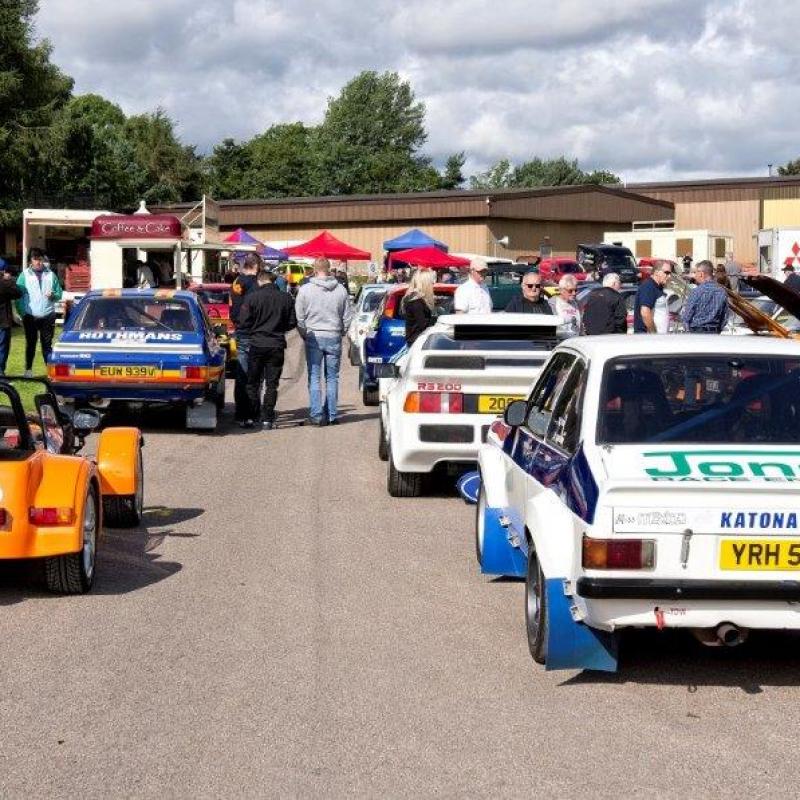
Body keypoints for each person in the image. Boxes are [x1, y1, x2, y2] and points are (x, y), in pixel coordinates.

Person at [295, 257, 354, 426]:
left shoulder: (305, 290)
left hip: (314, 335)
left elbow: (299, 317)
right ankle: (332, 414)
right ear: (329, 269)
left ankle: (316, 415)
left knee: (314, 376)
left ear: (314, 269)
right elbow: (348, 317)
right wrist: (341, 332)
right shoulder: (341, 290)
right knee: (332, 377)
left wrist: (305, 333)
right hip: (333, 335)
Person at [237, 270, 297, 430]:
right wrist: (279, 328)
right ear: (273, 281)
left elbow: (243, 322)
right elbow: (292, 322)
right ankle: (267, 419)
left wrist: (254, 329)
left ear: (259, 281)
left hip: (256, 344)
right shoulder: (286, 298)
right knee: (272, 384)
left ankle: (251, 416)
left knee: (252, 382)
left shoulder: (252, 298)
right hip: (276, 344)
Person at [16, 248, 62, 376]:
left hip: (48, 315)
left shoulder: (51, 275)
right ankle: (28, 370)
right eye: (35, 259)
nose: (38, 262)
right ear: (31, 260)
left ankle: (50, 371)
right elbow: (18, 296)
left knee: (47, 345)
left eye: (40, 259)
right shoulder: (24, 275)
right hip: (30, 315)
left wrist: (53, 295)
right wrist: (22, 313)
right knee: (31, 343)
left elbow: (59, 293)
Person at [230, 253, 261, 425]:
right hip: (253, 331)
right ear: (256, 266)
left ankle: (240, 413)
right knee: (254, 375)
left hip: (239, 330)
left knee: (241, 374)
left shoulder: (236, 282)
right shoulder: (254, 284)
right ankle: (252, 413)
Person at [682, 260, 728, 333]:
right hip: (714, 332)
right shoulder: (722, 292)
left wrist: (688, 331)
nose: (695, 275)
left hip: (697, 332)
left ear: (701, 274)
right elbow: (724, 318)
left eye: (695, 272)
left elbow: (686, 317)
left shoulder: (696, 291)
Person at [633, 261, 672, 333]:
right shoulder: (648, 286)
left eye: (670, 273)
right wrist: (653, 333)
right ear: (657, 272)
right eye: (667, 273)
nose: (669, 276)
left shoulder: (658, 287)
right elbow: (645, 312)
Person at [402, 268, 436, 346]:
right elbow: (423, 325)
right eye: (431, 282)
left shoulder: (413, 299)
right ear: (426, 283)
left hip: (416, 341)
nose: (432, 284)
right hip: (417, 342)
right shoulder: (417, 303)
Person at [0, 260, 21, 375]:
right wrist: (11, 280)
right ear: (3, 271)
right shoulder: (5, 283)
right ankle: (0, 373)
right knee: (2, 347)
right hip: (3, 321)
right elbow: (18, 293)